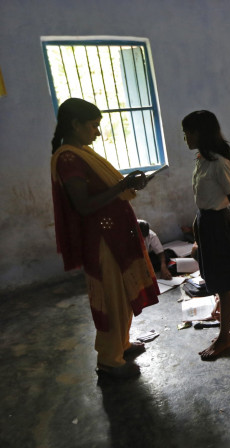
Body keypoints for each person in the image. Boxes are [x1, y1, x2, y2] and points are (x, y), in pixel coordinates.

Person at [50, 98, 159, 379]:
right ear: (75, 125)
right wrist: (122, 186)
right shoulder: (68, 157)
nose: (97, 133)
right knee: (110, 296)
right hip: (101, 240)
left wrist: (126, 185)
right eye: (93, 126)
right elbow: (84, 205)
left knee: (122, 293)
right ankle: (109, 361)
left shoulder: (81, 152)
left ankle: (120, 346)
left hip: (113, 234)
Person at [183, 110, 230, 360]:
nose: (185, 137)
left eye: (188, 132)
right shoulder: (201, 159)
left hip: (219, 224)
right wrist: (197, 227)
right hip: (206, 222)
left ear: (200, 133)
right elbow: (202, 200)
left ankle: (224, 339)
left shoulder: (220, 163)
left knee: (224, 284)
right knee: (226, 281)